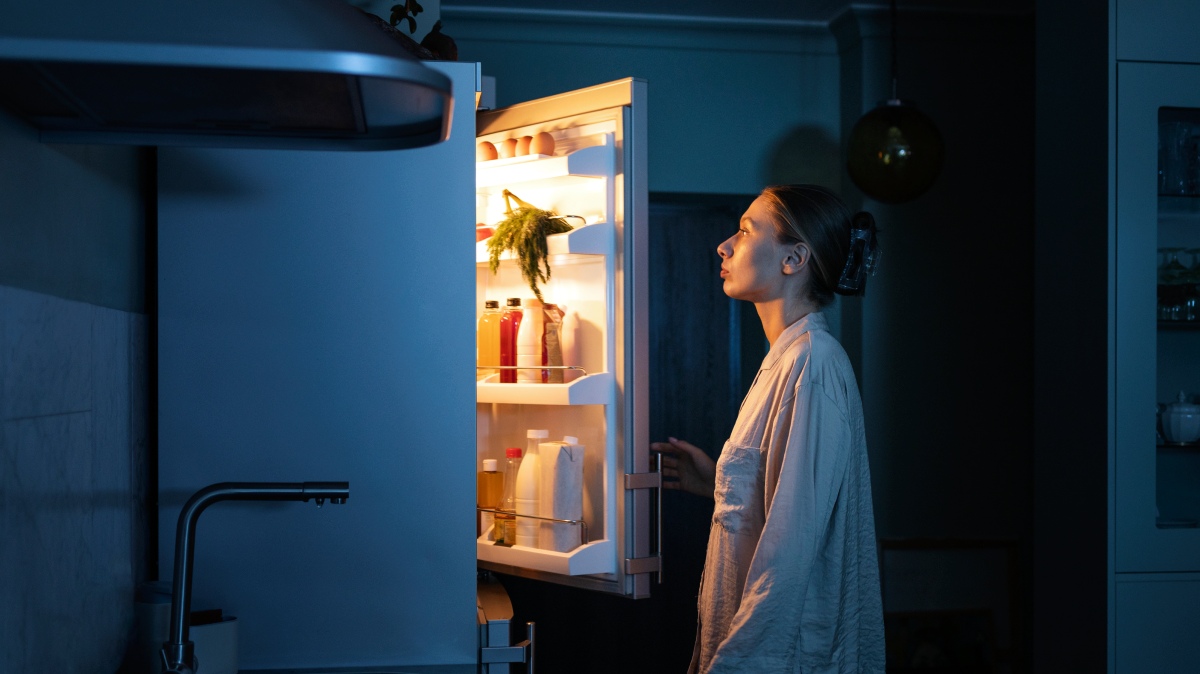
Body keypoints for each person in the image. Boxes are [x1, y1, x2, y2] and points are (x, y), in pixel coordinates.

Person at [652, 184, 885, 673]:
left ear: (793, 259)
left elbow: (788, 552)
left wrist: (736, 666)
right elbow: (788, 505)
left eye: (744, 231)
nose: (724, 246)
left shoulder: (813, 365)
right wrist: (720, 485)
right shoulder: (788, 359)